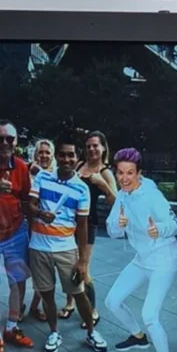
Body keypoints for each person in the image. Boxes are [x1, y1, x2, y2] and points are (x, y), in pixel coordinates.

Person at [105, 148, 177, 352]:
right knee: (112, 301)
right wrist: (118, 225)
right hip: (142, 258)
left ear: (139, 173)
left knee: (150, 315)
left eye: (130, 173)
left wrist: (159, 228)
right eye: (120, 173)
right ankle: (138, 337)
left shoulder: (152, 195)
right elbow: (112, 230)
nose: (124, 178)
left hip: (163, 260)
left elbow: (175, 224)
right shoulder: (122, 195)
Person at [28, 136, 108, 352]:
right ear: (57, 156)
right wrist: (40, 213)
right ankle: (54, 332)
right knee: (47, 294)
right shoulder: (42, 178)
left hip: (66, 249)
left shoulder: (81, 189)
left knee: (78, 293)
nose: (66, 158)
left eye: (70, 155)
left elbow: (82, 226)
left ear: (76, 158)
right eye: (62, 154)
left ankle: (91, 332)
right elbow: (30, 206)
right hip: (39, 247)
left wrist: (82, 261)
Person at [59, 130, 117, 326]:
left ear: (103, 148)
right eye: (89, 145)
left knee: (83, 269)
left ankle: (92, 310)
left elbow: (116, 202)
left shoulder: (105, 172)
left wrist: (103, 185)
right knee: (68, 265)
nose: (92, 149)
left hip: (88, 224)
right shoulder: (79, 165)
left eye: (96, 145)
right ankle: (70, 303)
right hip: (68, 221)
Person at [0, 120, 34, 352]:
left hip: (16, 233)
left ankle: (12, 327)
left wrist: (34, 229)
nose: (5, 143)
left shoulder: (21, 167)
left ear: (16, 142)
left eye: (10, 139)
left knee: (18, 281)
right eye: (0, 139)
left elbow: (27, 200)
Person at [28, 139, 56, 323]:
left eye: (47, 152)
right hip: (29, 225)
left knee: (44, 271)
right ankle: (26, 304)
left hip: (51, 230)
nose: (44, 155)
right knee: (27, 270)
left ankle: (34, 305)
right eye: (41, 152)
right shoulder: (27, 172)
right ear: (35, 154)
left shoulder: (55, 174)